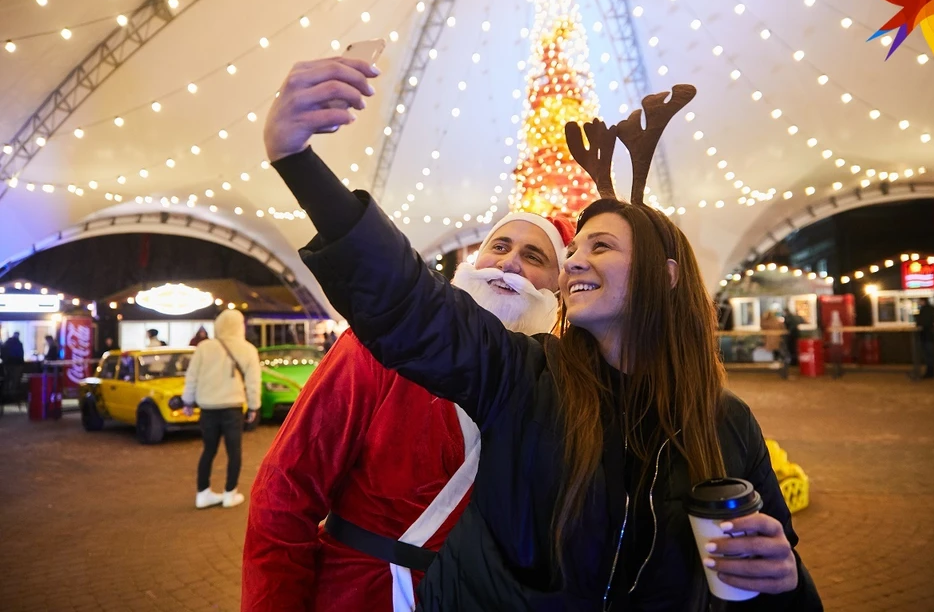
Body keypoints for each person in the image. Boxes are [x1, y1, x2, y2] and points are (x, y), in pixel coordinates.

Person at [262, 57, 821, 610]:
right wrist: (298, 163)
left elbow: (775, 573)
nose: (574, 262)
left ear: (666, 275)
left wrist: (782, 573)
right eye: (573, 251)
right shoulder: (525, 377)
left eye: (599, 247)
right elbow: (412, 305)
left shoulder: (727, 422)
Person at [242, 211, 572, 611]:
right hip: (357, 593)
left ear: (558, 290)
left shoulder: (561, 388)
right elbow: (285, 491)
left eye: (534, 257)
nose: (508, 264)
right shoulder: (377, 347)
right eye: (499, 246)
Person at [183, 309, 262, 509]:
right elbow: (253, 382)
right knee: (234, 451)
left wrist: (188, 401)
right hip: (233, 407)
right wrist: (254, 406)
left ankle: (202, 493)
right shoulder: (248, 349)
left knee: (208, 450)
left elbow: (192, 376)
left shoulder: (204, 347)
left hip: (208, 407)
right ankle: (230, 493)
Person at [915, 297, 934, 378]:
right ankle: (931, 372)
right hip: (929, 335)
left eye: (919, 301)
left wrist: (919, 324)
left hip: (926, 335)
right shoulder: (931, 309)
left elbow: (923, 322)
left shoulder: (924, 310)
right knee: (929, 354)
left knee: (928, 355)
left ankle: (930, 373)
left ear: (923, 301)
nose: (918, 302)